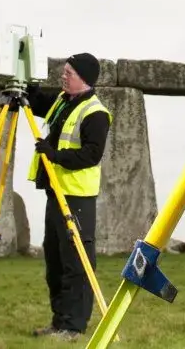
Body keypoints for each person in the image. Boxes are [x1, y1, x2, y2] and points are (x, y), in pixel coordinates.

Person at [24, 53, 113, 340]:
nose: (63, 77)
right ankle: (59, 321)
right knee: (56, 261)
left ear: (83, 78)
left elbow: (92, 153)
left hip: (78, 196)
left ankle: (73, 327)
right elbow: (39, 103)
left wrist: (56, 156)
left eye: (68, 73)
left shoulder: (95, 113)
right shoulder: (64, 100)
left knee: (77, 263)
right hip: (56, 191)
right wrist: (27, 84)